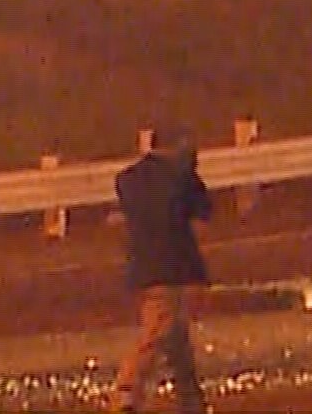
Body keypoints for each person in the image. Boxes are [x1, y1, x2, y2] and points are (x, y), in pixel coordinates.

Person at [111, 124, 213, 413]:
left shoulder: (128, 179)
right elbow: (202, 218)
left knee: (175, 333)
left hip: (141, 266)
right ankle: (126, 392)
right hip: (175, 266)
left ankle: (190, 398)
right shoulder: (183, 177)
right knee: (159, 330)